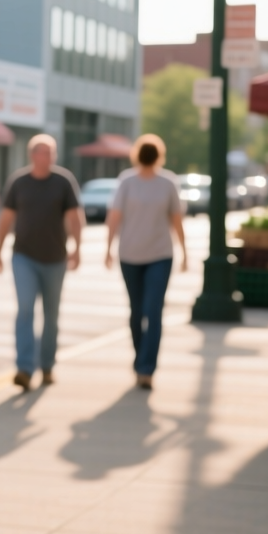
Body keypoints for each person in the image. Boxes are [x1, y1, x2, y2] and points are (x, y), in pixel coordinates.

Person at [0, 134, 82, 391]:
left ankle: (47, 365)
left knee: (51, 315)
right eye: (45, 152)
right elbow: (6, 218)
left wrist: (78, 247)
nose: (49, 157)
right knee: (25, 310)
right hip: (24, 256)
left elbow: (75, 217)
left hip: (56, 258)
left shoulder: (63, 181)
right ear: (33, 155)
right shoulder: (19, 182)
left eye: (52, 152)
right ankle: (24, 368)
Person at [103, 135, 188, 391]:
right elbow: (115, 216)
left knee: (154, 311)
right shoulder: (127, 181)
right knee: (136, 311)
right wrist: (107, 248)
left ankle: (147, 368)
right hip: (130, 255)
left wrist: (184, 250)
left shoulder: (168, 182)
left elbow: (176, 219)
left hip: (160, 255)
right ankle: (140, 357)